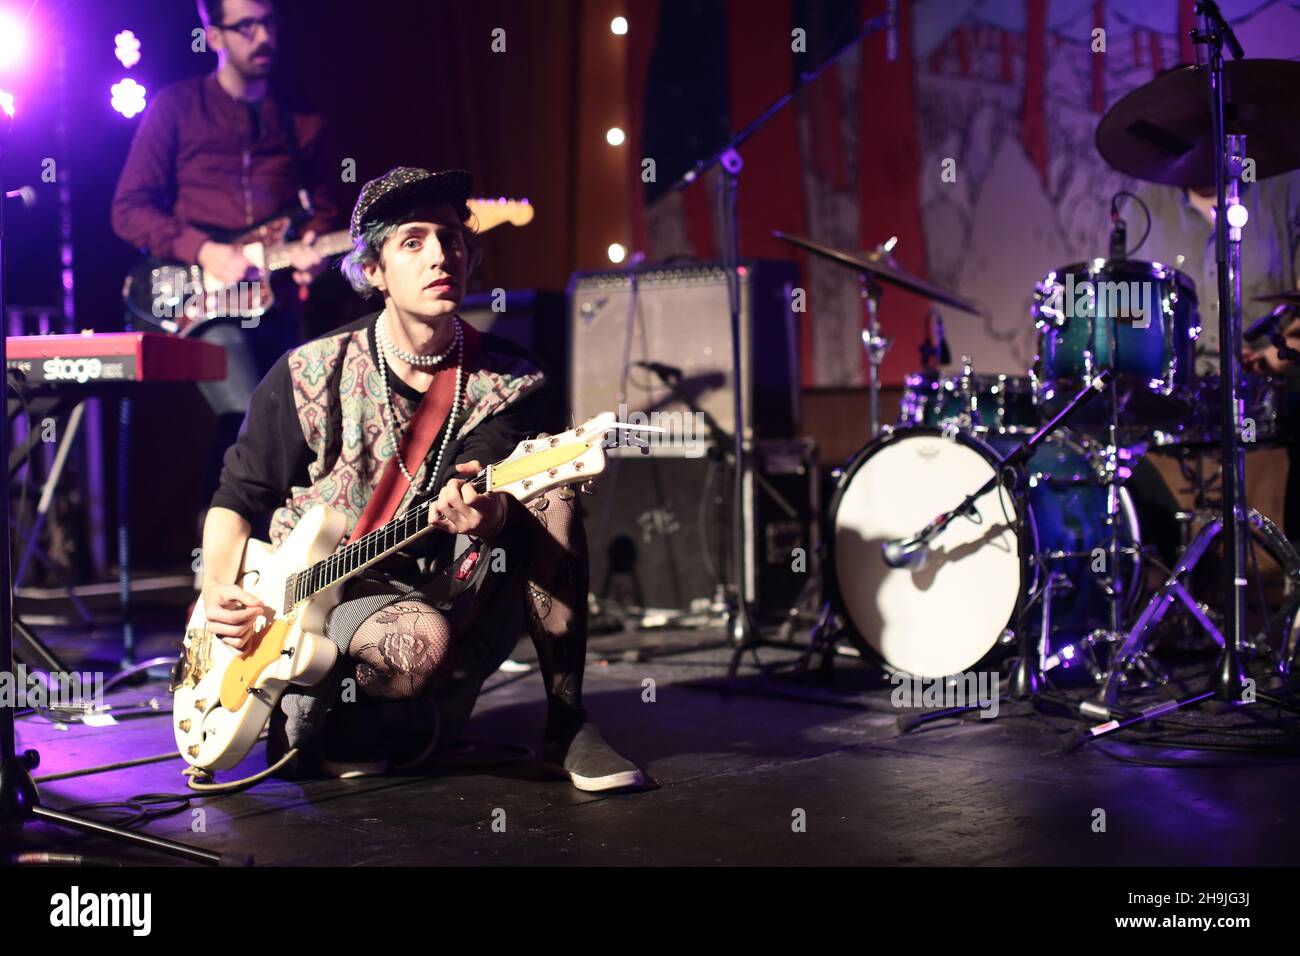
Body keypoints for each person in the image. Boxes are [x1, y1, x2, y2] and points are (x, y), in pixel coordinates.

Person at [198, 165, 645, 792]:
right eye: (413, 241)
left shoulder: (513, 381)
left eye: (452, 238)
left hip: (446, 578)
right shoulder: (308, 372)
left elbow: (487, 475)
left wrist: (492, 515)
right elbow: (235, 497)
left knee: (552, 495)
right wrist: (216, 590)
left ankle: (566, 723)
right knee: (414, 647)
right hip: (318, 602)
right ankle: (344, 713)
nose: (440, 254)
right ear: (373, 271)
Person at [111, 0, 338, 512]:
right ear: (213, 36)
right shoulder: (174, 108)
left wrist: (313, 248)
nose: (263, 38)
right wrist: (205, 249)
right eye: (246, 27)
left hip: (276, 303)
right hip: (205, 304)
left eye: (269, 23)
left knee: (292, 430)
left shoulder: (300, 121)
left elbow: (321, 212)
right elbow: (127, 210)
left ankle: (263, 567)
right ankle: (215, 569)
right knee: (244, 419)